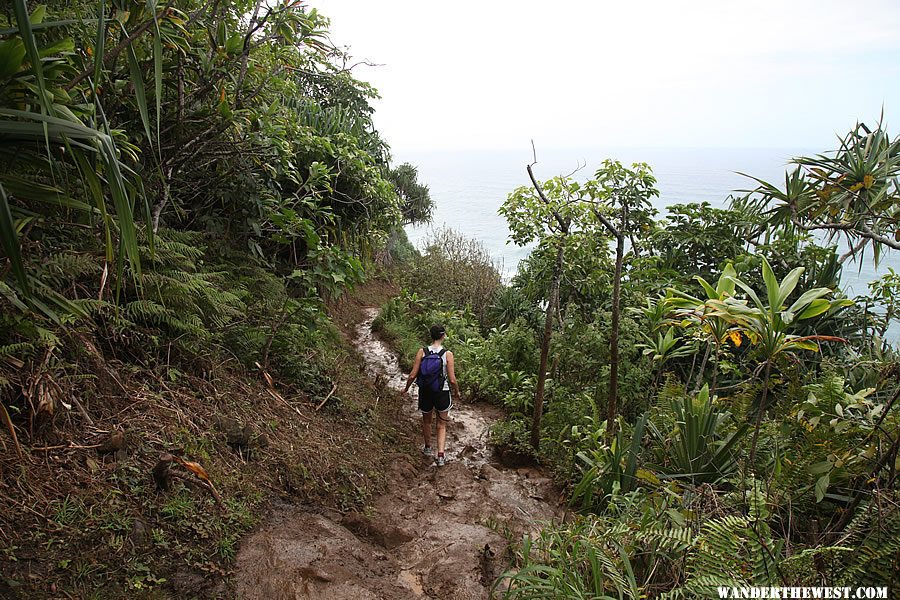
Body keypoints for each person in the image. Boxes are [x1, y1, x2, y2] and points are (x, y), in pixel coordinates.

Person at [403, 324, 460, 466]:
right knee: (441, 424)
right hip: (442, 392)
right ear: (443, 336)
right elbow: (452, 379)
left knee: (426, 421)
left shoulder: (422, 352)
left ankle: (428, 448)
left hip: (426, 391)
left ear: (431, 336)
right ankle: (441, 456)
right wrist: (457, 391)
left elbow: (412, 375)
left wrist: (406, 388)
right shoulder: (448, 354)